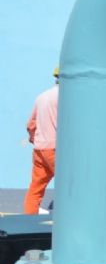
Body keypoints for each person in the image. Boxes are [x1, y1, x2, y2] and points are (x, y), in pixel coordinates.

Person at [23, 67, 59, 214]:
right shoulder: (69, 97)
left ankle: (28, 220)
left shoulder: (42, 97)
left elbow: (31, 125)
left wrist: (35, 139)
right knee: (70, 186)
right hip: (57, 149)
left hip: (40, 149)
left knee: (36, 188)